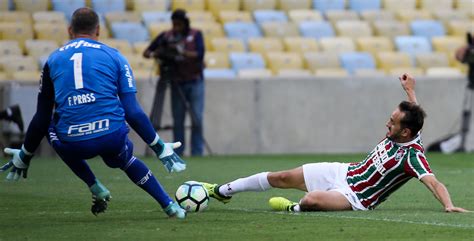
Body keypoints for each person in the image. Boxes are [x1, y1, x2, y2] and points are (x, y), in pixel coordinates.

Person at [0, 8, 187, 219]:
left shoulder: (52, 61)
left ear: (70, 30)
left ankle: (94, 185)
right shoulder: (115, 56)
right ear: (98, 30)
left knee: (51, 123)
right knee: (125, 158)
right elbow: (132, 111)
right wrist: (160, 147)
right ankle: (170, 206)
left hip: (73, 144)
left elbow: (40, 118)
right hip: (111, 137)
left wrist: (25, 154)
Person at [200, 73, 468, 213]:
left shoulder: (413, 157)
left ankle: (293, 208)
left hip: (355, 197)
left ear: (406, 132)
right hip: (343, 171)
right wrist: (409, 90)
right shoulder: (411, 128)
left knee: (311, 200)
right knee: (282, 176)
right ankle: (220, 191)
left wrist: (447, 204)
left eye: (393, 122)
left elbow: (433, 182)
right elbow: (415, 111)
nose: (388, 124)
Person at [143, 9, 205, 156]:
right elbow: (146, 52)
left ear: (185, 23)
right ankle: (179, 151)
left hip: (195, 80)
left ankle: (197, 152)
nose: (176, 27)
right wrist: (157, 53)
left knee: (197, 118)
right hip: (176, 81)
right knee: (178, 119)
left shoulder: (196, 34)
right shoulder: (166, 36)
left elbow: (200, 54)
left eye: (179, 24)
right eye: (174, 24)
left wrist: (181, 52)